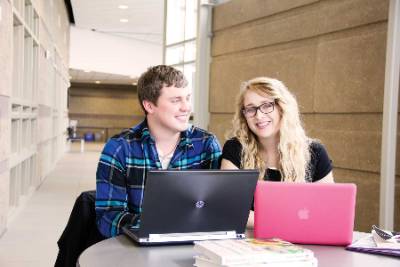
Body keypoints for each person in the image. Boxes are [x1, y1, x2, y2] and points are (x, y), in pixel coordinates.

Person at [95, 65, 222, 238]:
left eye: (187, 98)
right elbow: (107, 218)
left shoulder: (206, 144)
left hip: (194, 249)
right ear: (149, 106)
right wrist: (162, 226)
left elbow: (218, 209)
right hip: (137, 251)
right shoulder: (120, 148)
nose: (186, 107)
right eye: (176, 100)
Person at [220, 77, 334, 226]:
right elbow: (230, 208)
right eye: (251, 109)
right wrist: (287, 221)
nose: (259, 116)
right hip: (250, 243)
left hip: (301, 242)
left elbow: (328, 210)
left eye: (266, 106)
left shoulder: (314, 152)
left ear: (282, 107)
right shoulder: (235, 149)